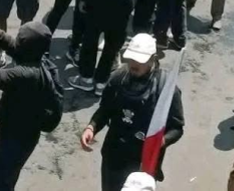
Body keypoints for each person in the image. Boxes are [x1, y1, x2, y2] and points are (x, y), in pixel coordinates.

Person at [0, 18, 63, 191]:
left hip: (17, 137)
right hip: (22, 128)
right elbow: (12, 46)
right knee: (2, 173)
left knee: (0, 176)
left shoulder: (28, 74)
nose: (17, 42)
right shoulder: (36, 56)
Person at [79, 33, 184, 191]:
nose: (134, 64)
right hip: (114, 156)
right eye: (131, 59)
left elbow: (177, 127)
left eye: (139, 61)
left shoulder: (166, 90)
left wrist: (160, 141)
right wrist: (91, 127)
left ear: (152, 59)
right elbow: (105, 110)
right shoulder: (117, 78)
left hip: (143, 162)